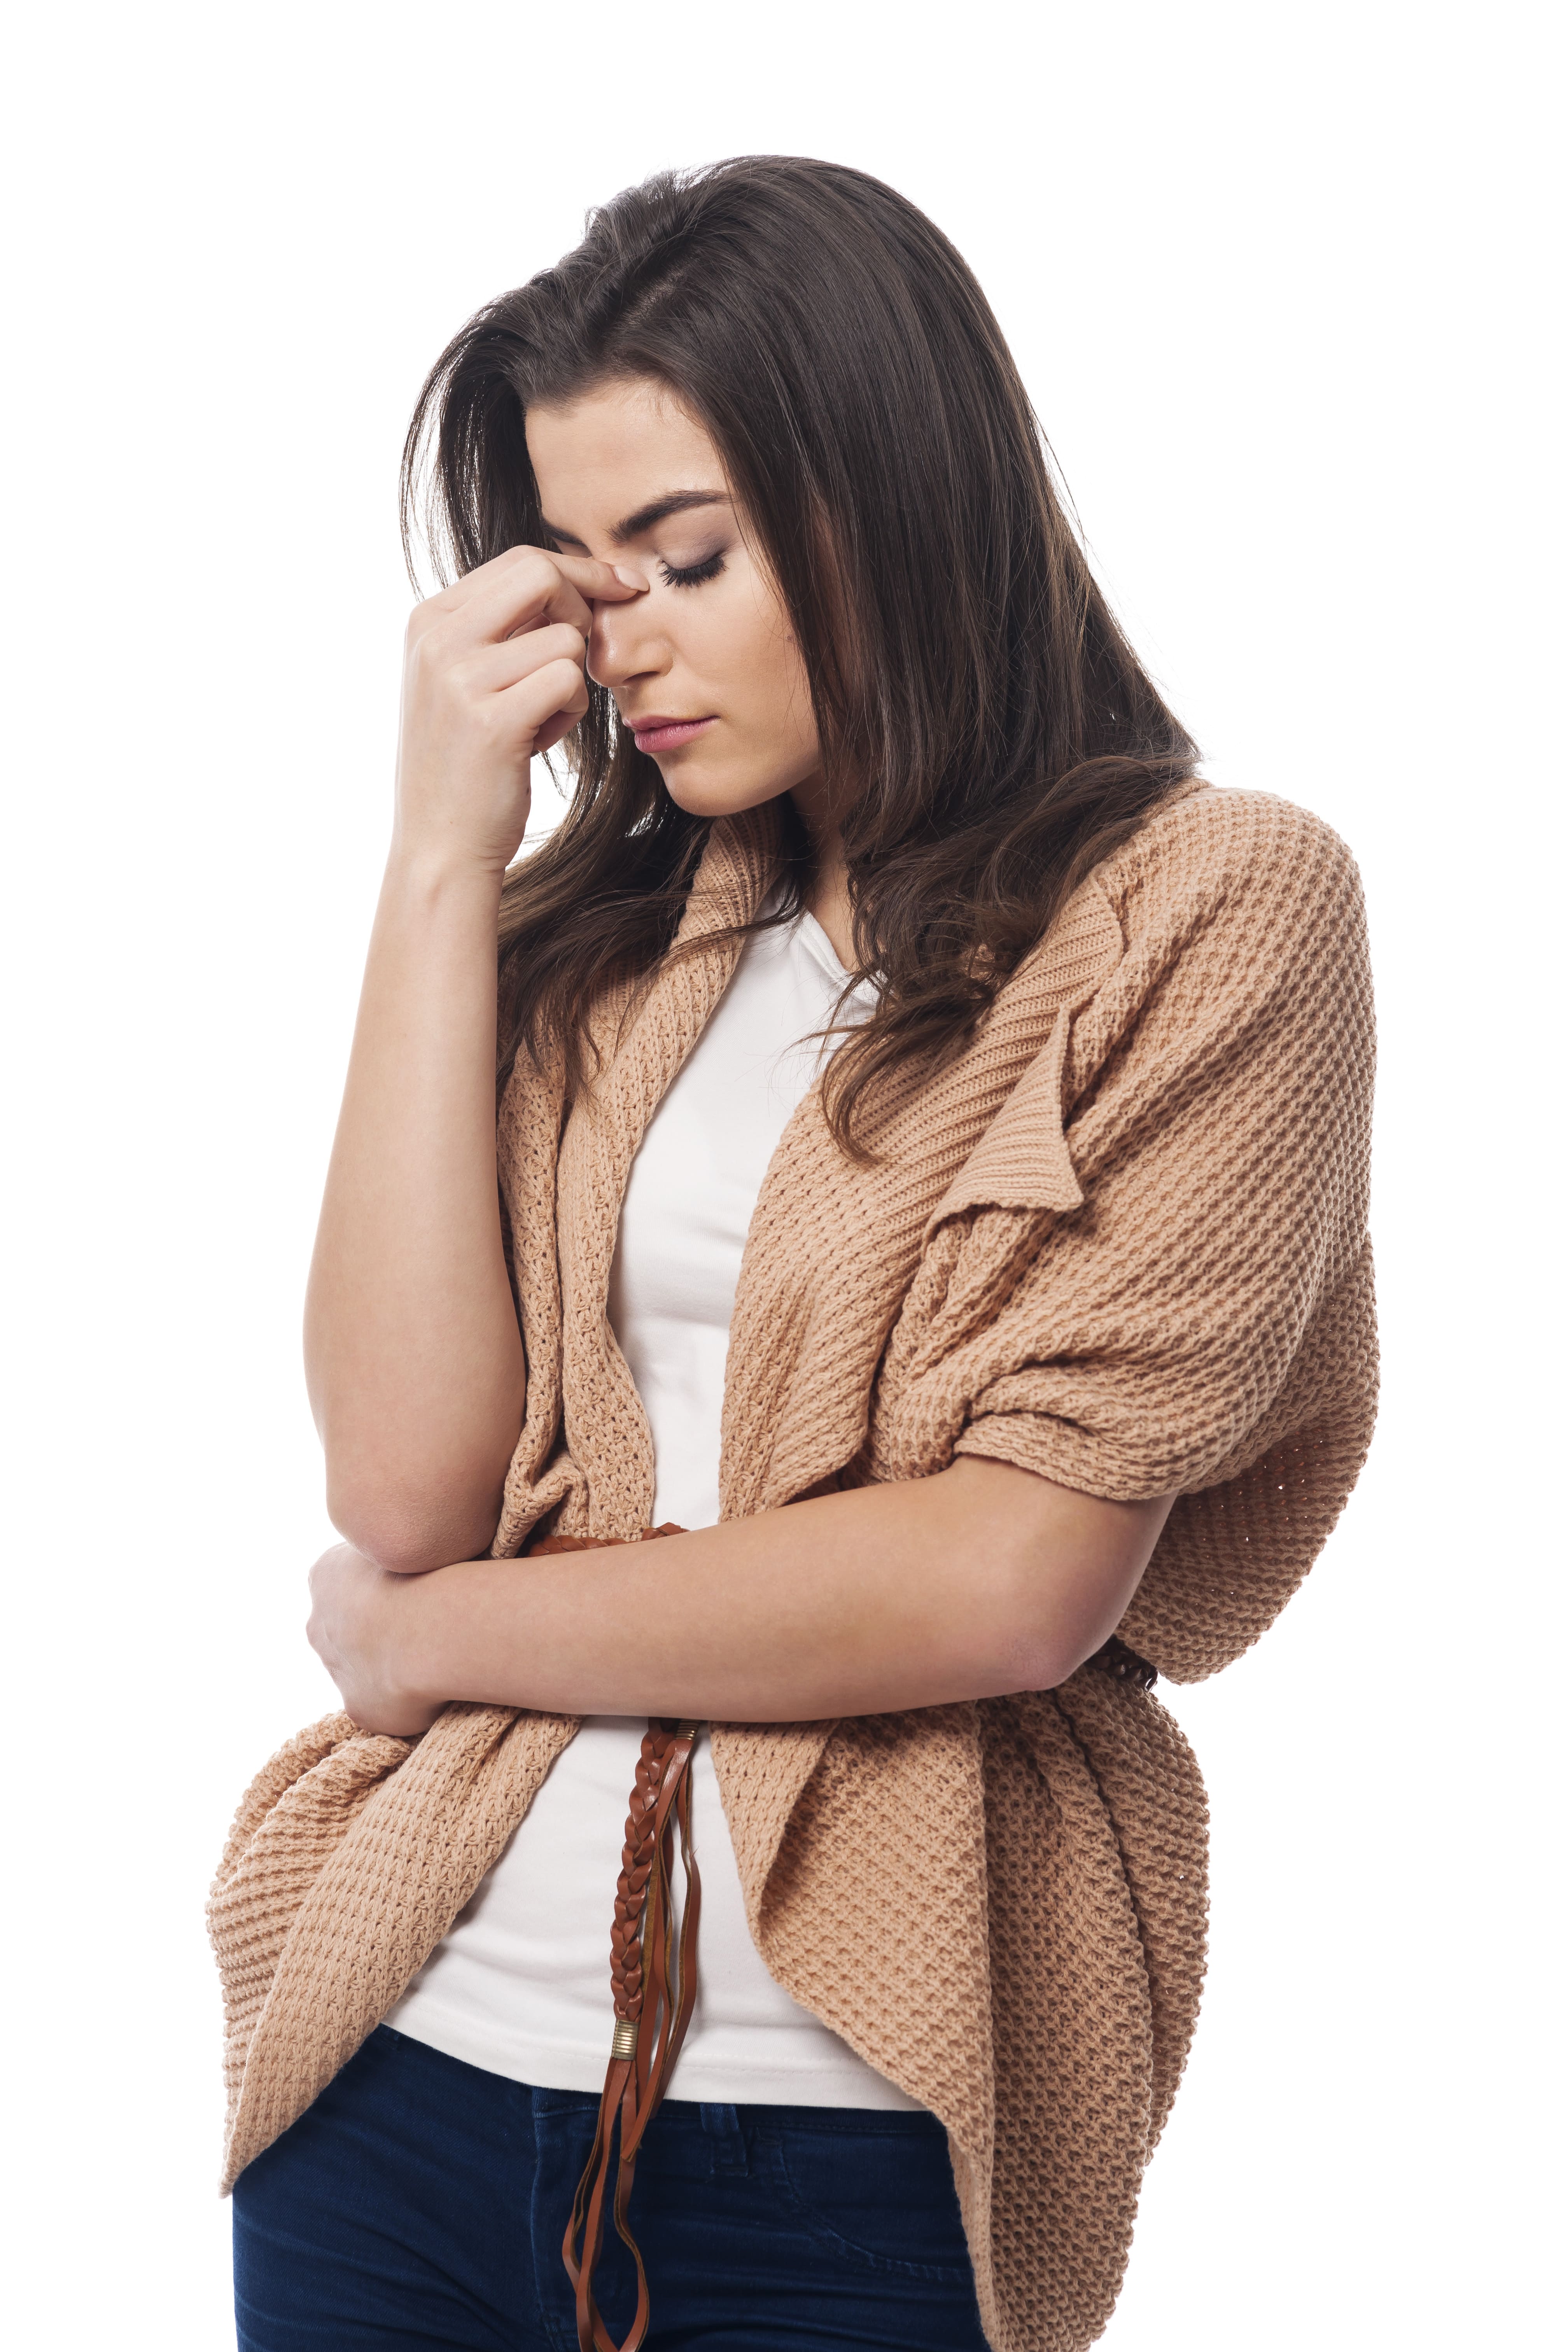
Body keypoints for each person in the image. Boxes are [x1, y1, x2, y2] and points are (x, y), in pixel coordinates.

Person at [212, 156, 1377, 2352]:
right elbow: (400, 1489)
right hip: (399, 2076)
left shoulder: (1215, 911)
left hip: (842, 2129)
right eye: (577, 580)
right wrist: (441, 867)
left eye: (689, 559)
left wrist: (434, 1638)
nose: (618, 642)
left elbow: (1010, 1583)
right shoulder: (609, 945)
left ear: (898, 497)